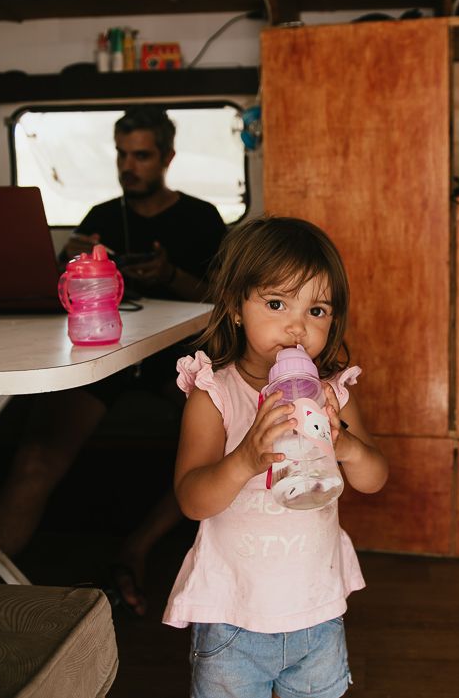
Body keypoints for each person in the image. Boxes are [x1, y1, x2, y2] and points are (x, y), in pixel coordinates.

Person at [0, 106, 226, 617]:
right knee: (36, 458)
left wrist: (169, 275)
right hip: (105, 352)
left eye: (141, 156)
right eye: (122, 155)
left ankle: (135, 549)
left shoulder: (202, 218)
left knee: (222, 441)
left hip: (178, 357)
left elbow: (226, 299)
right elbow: (62, 291)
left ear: (167, 157)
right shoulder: (101, 217)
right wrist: (68, 260)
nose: (128, 166)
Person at [165, 216, 388, 698]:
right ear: (235, 307)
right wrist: (245, 458)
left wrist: (345, 444)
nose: (297, 327)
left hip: (317, 613)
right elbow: (192, 500)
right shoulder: (215, 395)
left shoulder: (332, 395)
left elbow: (374, 478)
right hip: (232, 618)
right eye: (275, 303)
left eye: (317, 310)